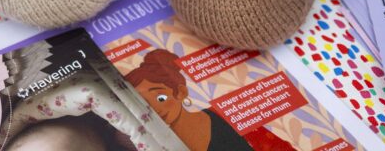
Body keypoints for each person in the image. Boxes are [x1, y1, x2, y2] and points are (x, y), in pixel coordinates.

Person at [125, 49, 294, 151]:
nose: (155, 108)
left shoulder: (225, 115)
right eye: (145, 103)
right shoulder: (155, 139)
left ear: (180, 93)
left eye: (160, 98)